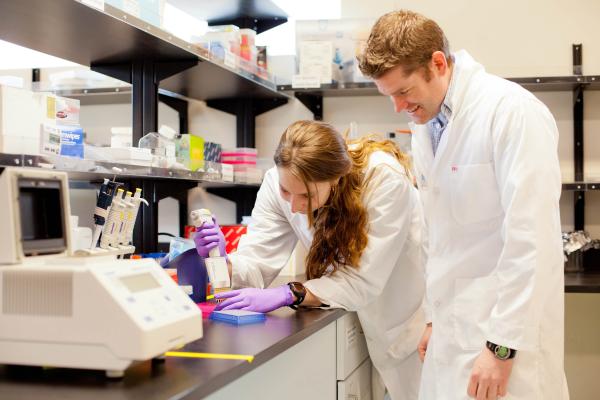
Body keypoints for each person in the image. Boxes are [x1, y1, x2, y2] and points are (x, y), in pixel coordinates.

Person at [357, 9, 569, 400]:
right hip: (454, 334)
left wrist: (503, 346)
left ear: (437, 63)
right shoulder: (429, 125)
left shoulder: (510, 112)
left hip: (505, 341)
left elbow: (532, 239)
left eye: (403, 91)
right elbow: (442, 240)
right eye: (389, 96)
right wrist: (435, 318)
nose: (398, 107)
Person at [194, 120, 425, 400]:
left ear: (337, 178)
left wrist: (290, 292)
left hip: (411, 323)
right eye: (286, 192)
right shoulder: (278, 181)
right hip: (359, 318)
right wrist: (220, 260)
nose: (294, 205)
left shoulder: (382, 179)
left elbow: (361, 280)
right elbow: (257, 261)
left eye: (306, 195)